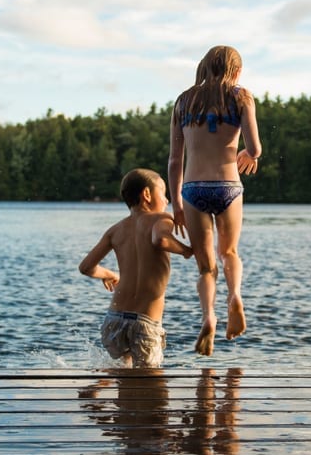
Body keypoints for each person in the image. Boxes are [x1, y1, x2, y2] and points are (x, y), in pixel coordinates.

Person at [168, 45, 262, 356]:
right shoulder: (241, 96)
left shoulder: (184, 100)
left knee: (206, 267)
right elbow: (255, 147)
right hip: (228, 185)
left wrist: (177, 205)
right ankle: (235, 296)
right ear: (235, 71)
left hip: (193, 188)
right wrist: (249, 154)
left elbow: (174, 160)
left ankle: (209, 316)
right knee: (230, 252)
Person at [79, 168, 193, 368]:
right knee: (152, 391)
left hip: (113, 321)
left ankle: (101, 383)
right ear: (147, 195)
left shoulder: (115, 230)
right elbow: (160, 239)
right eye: (164, 193)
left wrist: (108, 274)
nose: (167, 200)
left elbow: (86, 267)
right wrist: (187, 250)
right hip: (145, 323)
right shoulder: (160, 219)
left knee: (125, 375)